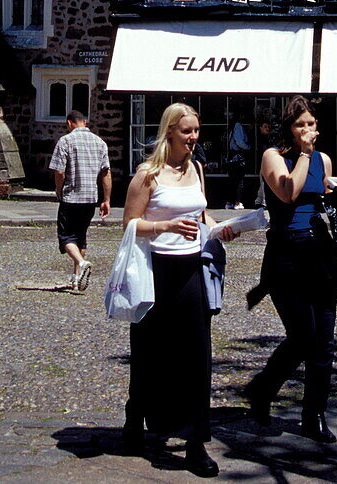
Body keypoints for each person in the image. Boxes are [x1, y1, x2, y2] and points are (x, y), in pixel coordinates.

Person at [121, 102, 236, 478]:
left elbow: (201, 216)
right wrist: (164, 227)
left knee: (197, 355)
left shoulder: (196, 168)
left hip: (192, 270)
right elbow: (129, 224)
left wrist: (222, 227)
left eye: (196, 131)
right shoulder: (148, 174)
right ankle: (136, 415)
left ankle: (194, 441)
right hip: (157, 271)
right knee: (151, 352)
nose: (193, 138)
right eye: (186, 131)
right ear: (169, 131)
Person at [245, 96, 337, 444]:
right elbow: (288, 192)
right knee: (303, 336)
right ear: (290, 127)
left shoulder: (324, 160)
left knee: (325, 342)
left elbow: (322, 198)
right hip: (287, 253)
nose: (308, 130)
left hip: (320, 252)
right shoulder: (274, 157)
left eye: (312, 125)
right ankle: (262, 389)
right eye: (301, 124)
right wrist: (302, 154)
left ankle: (314, 414)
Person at [49, 110, 111, 292]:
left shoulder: (65, 141)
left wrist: (58, 190)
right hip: (90, 197)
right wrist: (106, 199)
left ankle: (81, 263)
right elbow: (106, 173)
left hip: (71, 196)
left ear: (69, 123)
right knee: (81, 237)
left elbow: (59, 172)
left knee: (66, 236)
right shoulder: (100, 143)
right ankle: (76, 278)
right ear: (85, 122)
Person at [225, 116, 250, 209]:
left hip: (232, 157)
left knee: (231, 181)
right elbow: (239, 141)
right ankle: (237, 202)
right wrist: (247, 147)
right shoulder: (238, 125)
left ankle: (229, 202)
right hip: (238, 157)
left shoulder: (231, 127)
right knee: (239, 180)